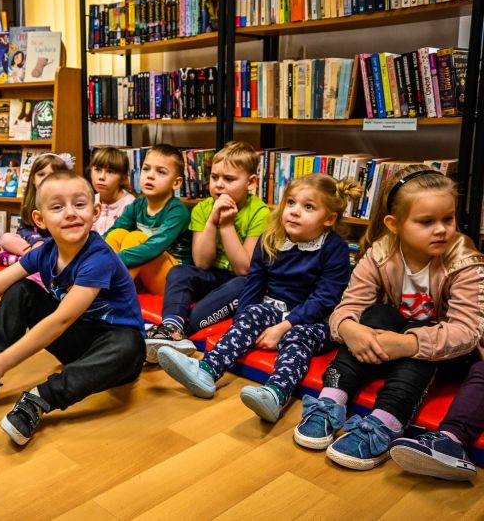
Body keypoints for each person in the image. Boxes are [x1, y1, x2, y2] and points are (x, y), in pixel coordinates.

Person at [294, 165, 484, 471]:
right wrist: (349, 328)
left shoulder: (463, 260)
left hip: (447, 354)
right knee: (377, 314)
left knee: (420, 328)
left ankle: (385, 422)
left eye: (448, 219)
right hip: (389, 344)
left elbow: (466, 332)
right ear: (394, 224)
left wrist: (408, 343)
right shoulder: (380, 253)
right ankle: (331, 401)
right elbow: (347, 306)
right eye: (426, 221)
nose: (441, 229)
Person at [0, 170, 145, 445]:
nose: (70, 213)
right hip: (79, 342)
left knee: (131, 345)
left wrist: (6, 361)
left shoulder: (98, 258)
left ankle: (39, 399)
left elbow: (60, 320)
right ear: (39, 219)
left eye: (79, 204)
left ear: (95, 212)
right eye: (57, 207)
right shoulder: (45, 252)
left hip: (114, 352)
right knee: (21, 289)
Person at [157, 174, 360, 424]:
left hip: (315, 320)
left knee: (298, 339)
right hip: (274, 309)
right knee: (253, 313)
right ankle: (206, 371)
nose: (295, 212)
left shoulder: (334, 248)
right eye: (291, 203)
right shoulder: (271, 238)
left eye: (308, 207)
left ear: (329, 218)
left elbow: (325, 298)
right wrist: (244, 324)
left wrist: (283, 328)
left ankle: (275, 394)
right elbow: (254, 284)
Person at [145, 141, 271, 362]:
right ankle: (171, 326)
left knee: (243, 284)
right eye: (214, 178)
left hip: (241, 284)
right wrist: (213, 221)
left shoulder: (260, 213)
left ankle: (179, 333)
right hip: (212, 275)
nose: (219, 185)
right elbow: (201, 263)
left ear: (251, 183)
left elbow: (244, 269)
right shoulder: (203, 208)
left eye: (229, 179)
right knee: (180, 271)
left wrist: (226, 225)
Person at [104, 144, 191, 296]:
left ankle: (112, 294)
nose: (150, 175)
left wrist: (111, 261)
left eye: (161, 172)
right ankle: (98, 284)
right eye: (146, 169)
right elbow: (111, 233)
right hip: (142, 275)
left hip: (174, 282)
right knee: (117, 234)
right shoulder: (137, 205)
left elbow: (153, 248)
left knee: (136, 237)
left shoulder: (177, 211)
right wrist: (92, 255)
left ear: (176, 183)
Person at [0, 153, 71, 266]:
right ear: (33, 180)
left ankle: (29, 260)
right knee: (6, 238)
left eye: (53, 175)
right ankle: (35, 258)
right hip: (35, 244)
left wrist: (42, 243)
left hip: (57, 246)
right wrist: (36, 241)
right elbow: (23, 229)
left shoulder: (66, 204)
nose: (46, 179)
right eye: (41, 174)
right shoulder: (31, 204)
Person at [88, 146, 135, 235]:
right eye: (97, 170)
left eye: (110, 172)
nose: (101, 177)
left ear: (123, 177)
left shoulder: (130, 205)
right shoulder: (90, 201)